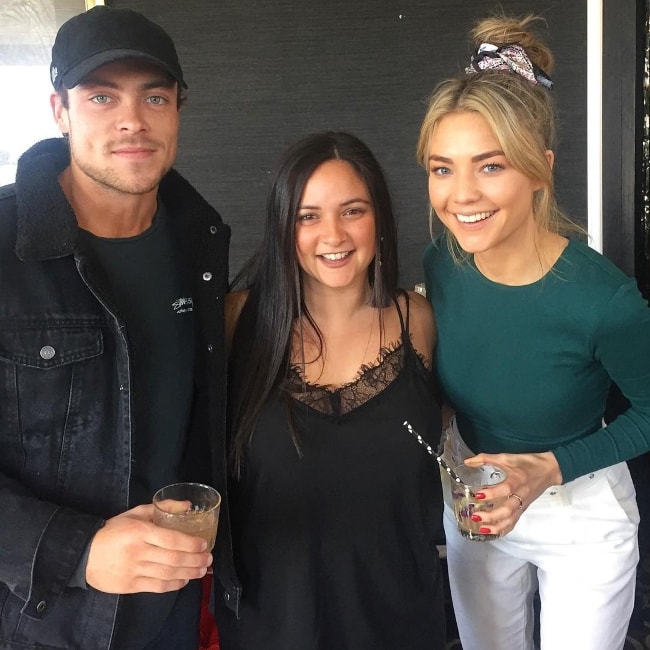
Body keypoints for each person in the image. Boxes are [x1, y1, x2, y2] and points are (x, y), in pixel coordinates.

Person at [0, 6, 230, 649]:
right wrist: (78, 550)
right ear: (60, 111)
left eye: (154, 96)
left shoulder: (201, 241)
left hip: (174, 610)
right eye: (102, 96)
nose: (133, 120)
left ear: (179, 108)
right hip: (39, 621)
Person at [418, 13, 650, 650]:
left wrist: (550, 469)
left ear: (540, 168)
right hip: (477, 497)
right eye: (442, 168)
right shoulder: (442, 262)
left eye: (490, 166)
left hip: (579, 508)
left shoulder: (605, 300)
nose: (461, 195)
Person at [214, 131, 447, 649]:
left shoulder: (422, 321)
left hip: (401, 618)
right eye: (308, 216)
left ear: (379, 218)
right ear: (282, 227)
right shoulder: (235, 322)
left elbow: (452, 437)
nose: (334, 234)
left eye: (353, 210)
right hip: (272, 625)